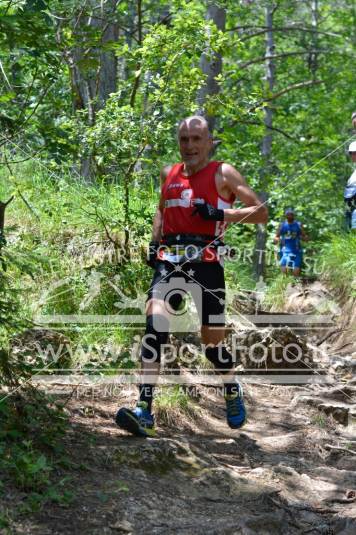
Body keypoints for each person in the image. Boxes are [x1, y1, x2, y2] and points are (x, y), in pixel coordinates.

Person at [115, 115, 268, 437]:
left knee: (212, 343)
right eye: (184, 139)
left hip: (208, 261)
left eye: (197, 139)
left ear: (209, 142)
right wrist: (154, 243)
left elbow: (261, 212)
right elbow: (162, 208)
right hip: (169, 260)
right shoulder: (168, 173)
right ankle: (144, 410)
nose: (190, 145)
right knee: (154, 326)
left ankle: (230, 388)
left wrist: (219, 213)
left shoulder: (222, 173)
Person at [274, 208, 309, 277]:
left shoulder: (298, 225)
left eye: (291, 214)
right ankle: (286, 284)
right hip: (285, 250)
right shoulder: (282, 225)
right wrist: (276, 240)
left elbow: (304, 236)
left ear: (294, 215)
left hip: (296, 249)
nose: (290, 216)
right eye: (288, 214)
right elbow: (277, 236)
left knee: (296, 269)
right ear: (285, 215)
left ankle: (295, 285)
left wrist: (305, 238)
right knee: (283, 268)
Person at [344, 141, 356, 230]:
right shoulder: (354, 173)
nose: (353, 155)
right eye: (351, 153)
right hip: (350, 204)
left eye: (355, 153)